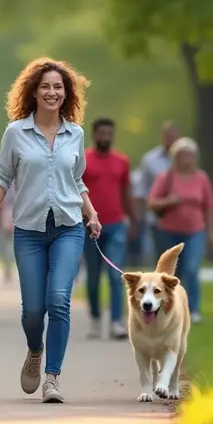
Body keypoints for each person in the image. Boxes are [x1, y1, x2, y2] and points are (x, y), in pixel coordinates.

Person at [0, 57, 102, 404]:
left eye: (58, 87)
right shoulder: (16, 132)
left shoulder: (75, 133)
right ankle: (35, 350)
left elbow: (76, 179)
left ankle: (52, 377)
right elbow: (1, 176)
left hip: (68, 226)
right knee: (33, 310)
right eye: (46, 86)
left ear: (67, 94)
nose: (52, 92)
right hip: (29, 230)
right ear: (33, 92)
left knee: (59, 301)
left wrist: (91, 214)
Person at [147, 137, 213, 324]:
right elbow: (152, 202)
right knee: (170, 274)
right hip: (168, 232)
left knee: (192, 270)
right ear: (175, 157)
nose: (187, 159)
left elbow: (208, 206)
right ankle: (170, 309)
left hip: (195, 231)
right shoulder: (166, 177)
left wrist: (211, 232)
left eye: (190, 156)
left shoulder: (202, 178)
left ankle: (193, 309)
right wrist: (169, 201)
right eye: (182, 155)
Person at [81, 117, 135, 340]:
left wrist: (132, 218)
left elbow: (126, 193)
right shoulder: (83, 159)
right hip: (89, 225)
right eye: (101, 133)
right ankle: (95, 318)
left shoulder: (122, 162)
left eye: (109, 133)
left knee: (116, 275)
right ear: (94, 134)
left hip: (116, 225)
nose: (105, 137)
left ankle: (116, 322)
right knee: (93, 278)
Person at [139, 120, 181, 263]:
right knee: (163, 260)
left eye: (174, 136)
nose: (171, 140)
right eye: (168, 136)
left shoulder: (187, 160)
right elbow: (143, 190)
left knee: (183, 263)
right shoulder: (150, 160)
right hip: (158, 219)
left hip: (183, 218)